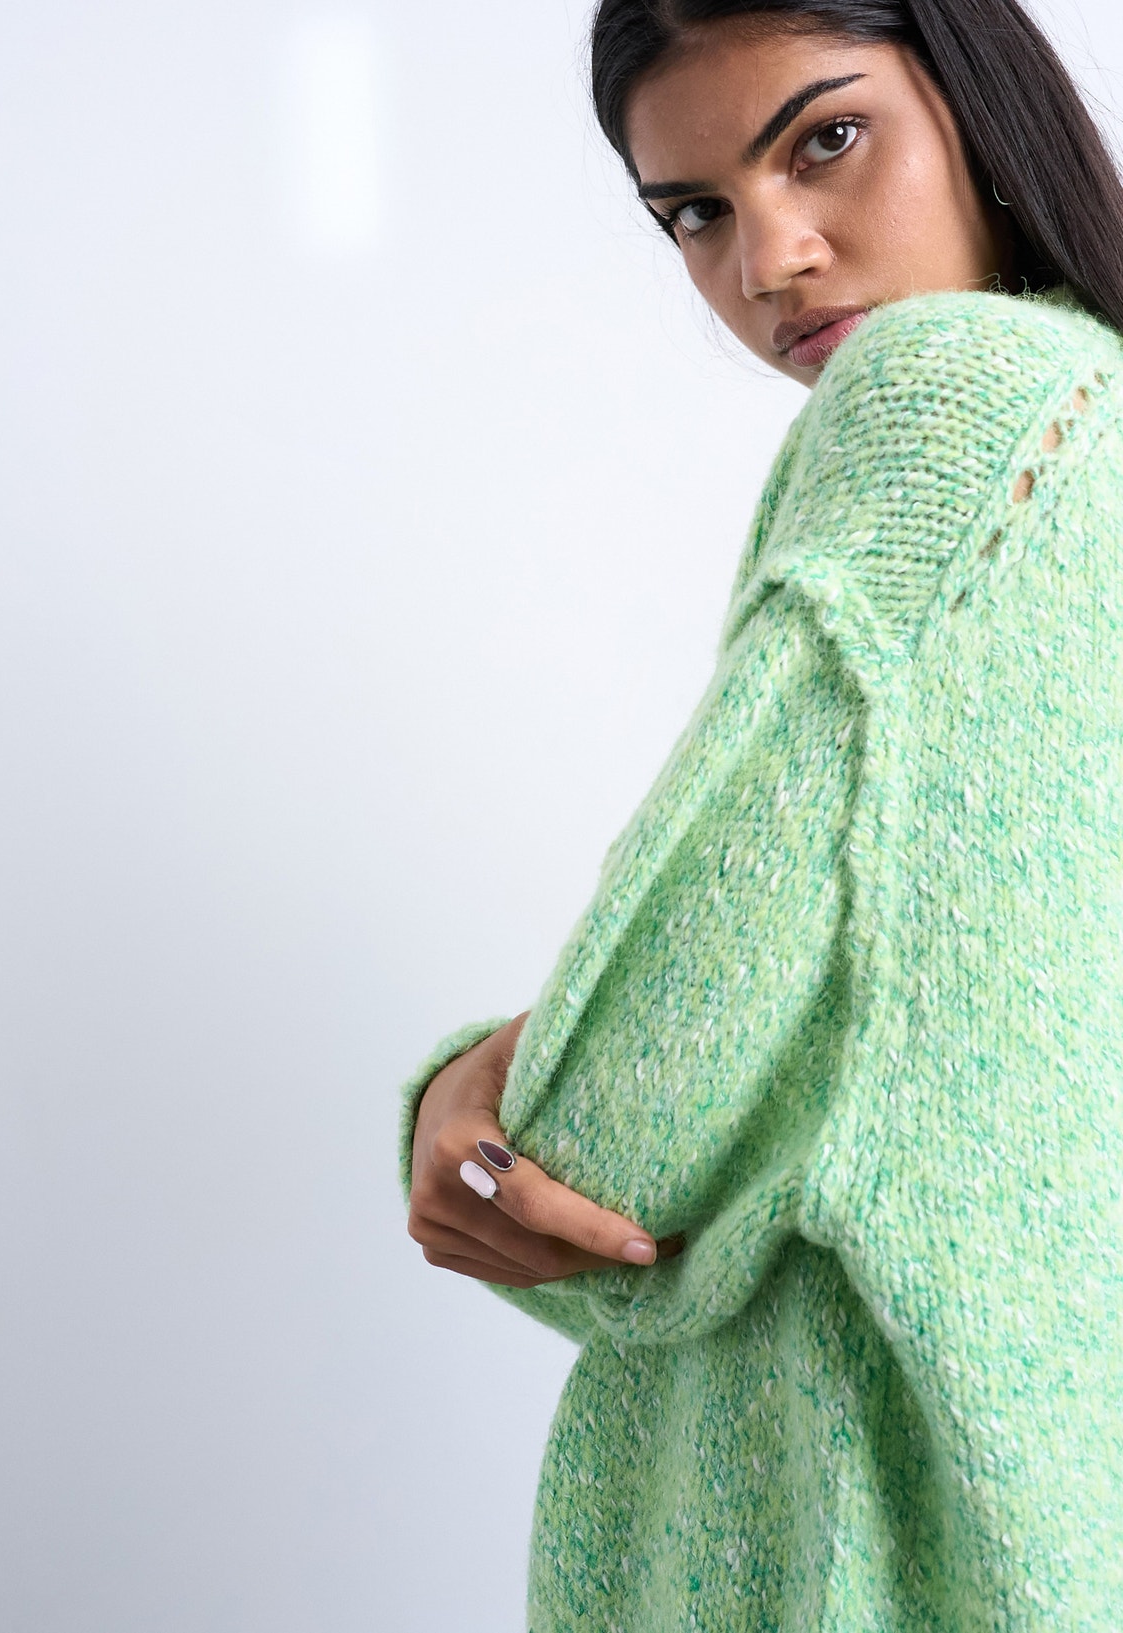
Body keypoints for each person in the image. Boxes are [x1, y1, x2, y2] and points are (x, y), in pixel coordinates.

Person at [399, 1, 1123, 1626]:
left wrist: (463, 1098)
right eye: (696, 213)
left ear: (974, 92)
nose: (770, 258)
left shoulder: (954, 398)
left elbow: (604, 1153)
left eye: (826, 140)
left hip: (847, 1538)